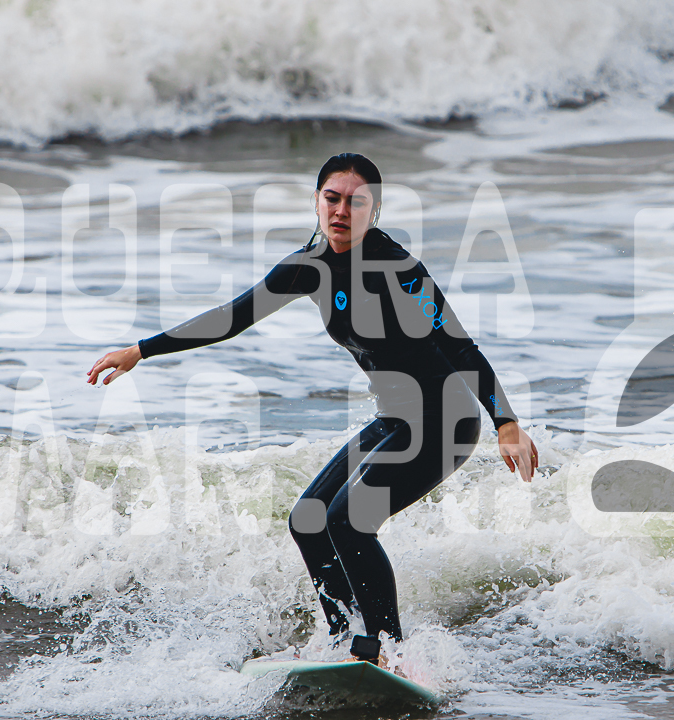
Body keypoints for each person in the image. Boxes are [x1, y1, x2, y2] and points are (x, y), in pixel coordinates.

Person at [86, 153, 537, 662]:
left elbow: (459, 345)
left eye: (356, 202)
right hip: (395, 419)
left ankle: (387, 651)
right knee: (308, 518)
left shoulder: (399, 269)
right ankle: (344, 639)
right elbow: (231, 317)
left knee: (348, 520)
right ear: (317, 202)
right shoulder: (308, 266)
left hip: (446, 421)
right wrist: (141, 350)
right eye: (332, 198)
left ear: (375, 211)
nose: (341, 211)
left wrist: (506, 421)